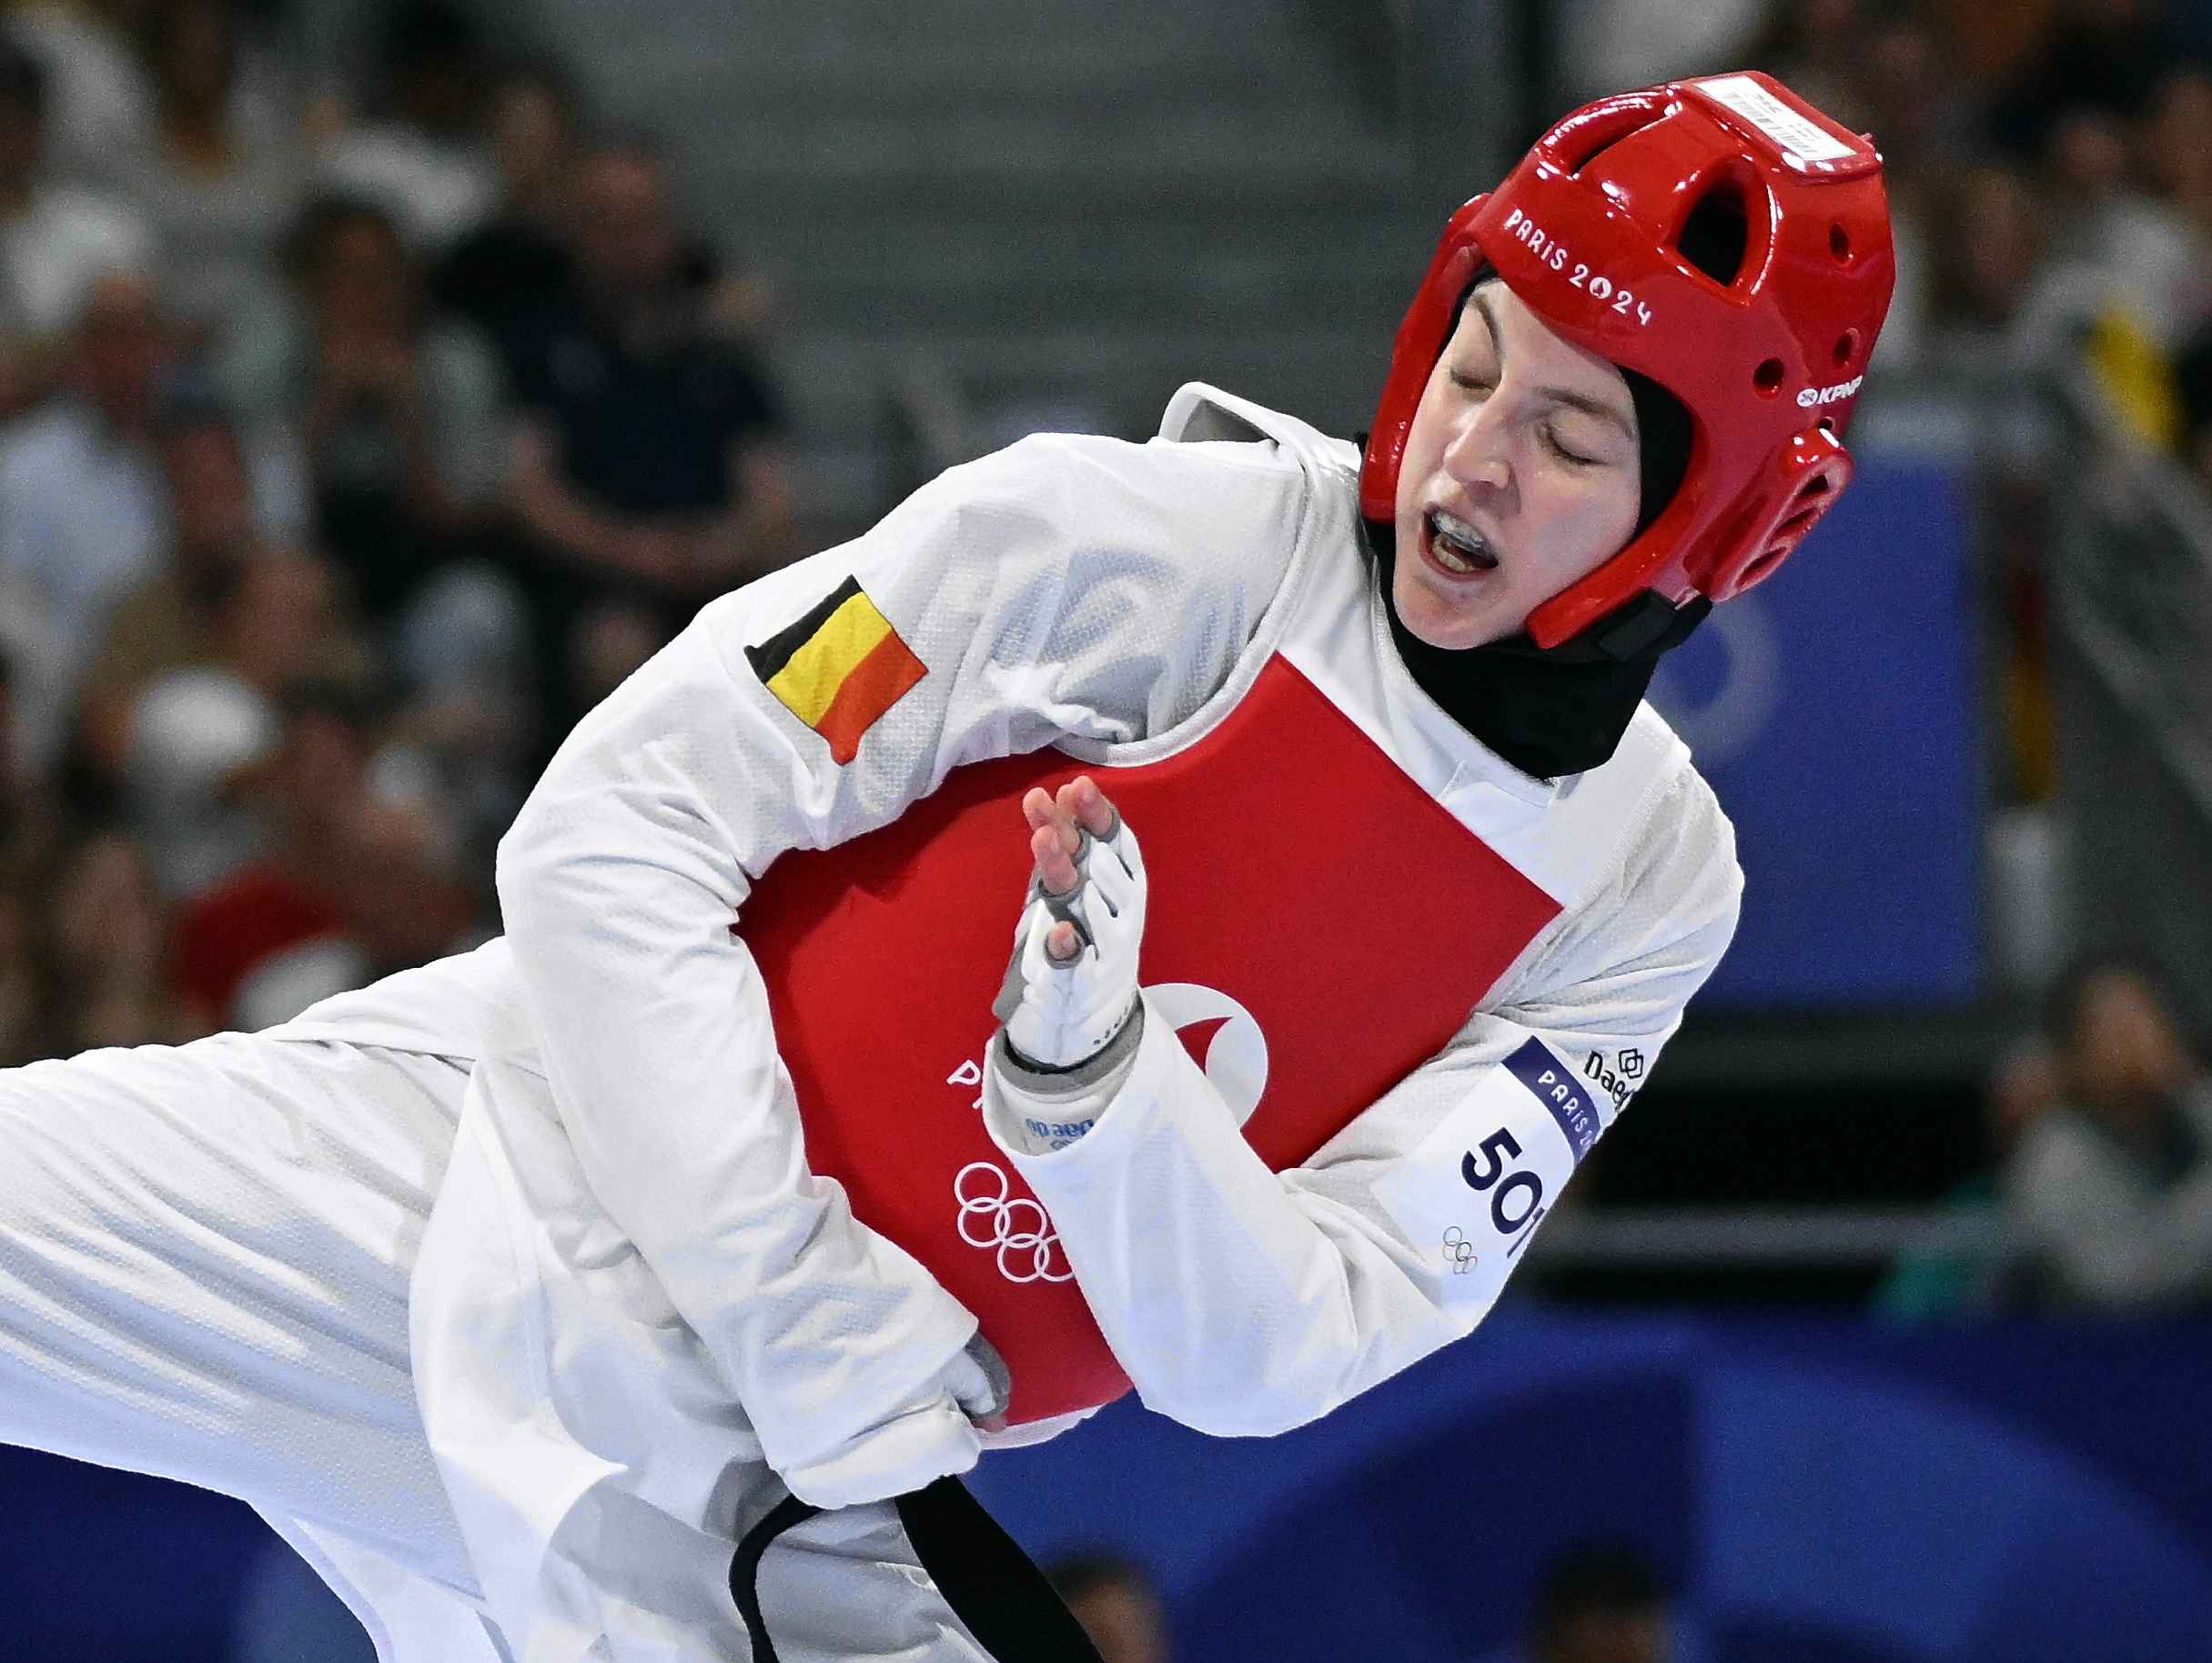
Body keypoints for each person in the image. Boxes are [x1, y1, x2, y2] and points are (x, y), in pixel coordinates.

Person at [0, 72, 1894, 1662]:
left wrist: (1094, 1092)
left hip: (794, 1520)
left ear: (1727, 516)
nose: (1473, 457)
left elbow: (1292, 1340)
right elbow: (612, 824)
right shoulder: (1138, 544)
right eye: (1473, 364)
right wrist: (793, 1298)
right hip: (460, 1191)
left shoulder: (1640, 889)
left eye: (1568, 434)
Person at [2002, 954, 2212, 1309]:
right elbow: (2122, 1284)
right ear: (2072, 1055)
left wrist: (2187, 1081)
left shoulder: (2192, 1110)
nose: (2138, 1039)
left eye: (2147, 1016)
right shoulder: (2056, 1155)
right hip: (2101, 1352)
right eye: (2114, 1026)